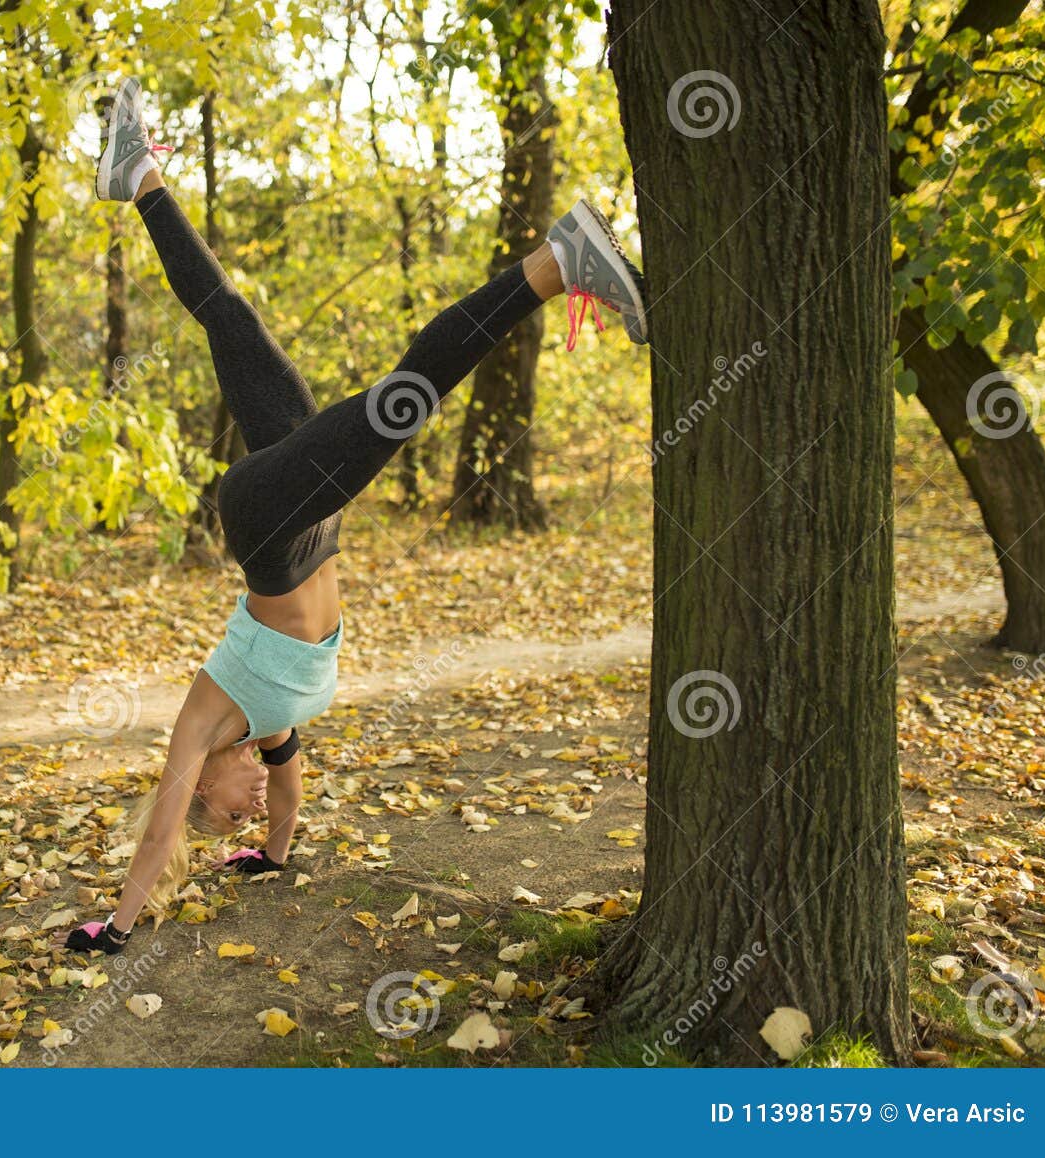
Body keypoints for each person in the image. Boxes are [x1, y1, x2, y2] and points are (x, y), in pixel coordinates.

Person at [63, 79, 647, 955]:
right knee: (234, 323)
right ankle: (139, 177)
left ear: (197, 789)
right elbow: (288, 803)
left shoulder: (199, 728)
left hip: (267, 526)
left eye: (224, 814)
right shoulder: (271, 737)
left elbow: (158, 839)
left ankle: (558, 261)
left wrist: (117, 924)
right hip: (305, 527)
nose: (244, 807)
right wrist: (267, 853)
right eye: (241, 820)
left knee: (404, 396)